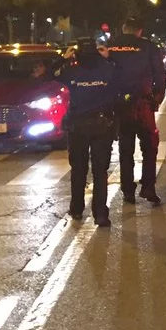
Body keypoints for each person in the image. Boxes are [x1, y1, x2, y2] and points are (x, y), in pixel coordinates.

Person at [57, 38, 120, 227]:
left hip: (78, 127)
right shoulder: (108, 68)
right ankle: (100, 214)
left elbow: (49, 76)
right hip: (102, 125)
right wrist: (109, 57)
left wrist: (62, 58)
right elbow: (121, 86)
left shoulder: (71, 71)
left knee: (78, 169)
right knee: (100, 171)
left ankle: (76, 209)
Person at [106, 17, 166, 205]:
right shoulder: (148, 47)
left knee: (126, 149)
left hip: (120, 105)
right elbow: (160, 75)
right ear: (140, 30)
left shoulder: (111, 45)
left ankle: (128, 191)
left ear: (124, 28)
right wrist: (157, 99)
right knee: (149, 147)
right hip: (143, 104)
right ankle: (148, 187)